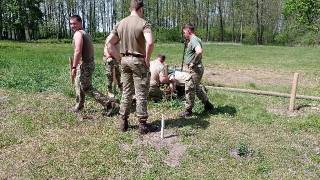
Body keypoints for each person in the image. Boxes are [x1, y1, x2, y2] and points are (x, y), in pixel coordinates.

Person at [106, 0, 155, 134]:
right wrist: (147, 59)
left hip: (125, 60)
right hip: (138, 60)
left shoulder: (121, 23)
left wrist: (120, 58)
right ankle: (142, 124)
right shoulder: (143, 23)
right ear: (141, 9)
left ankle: (123, 121)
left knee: (126, 91)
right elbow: (150, 42)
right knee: (141, 93)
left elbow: (109, 42)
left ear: (130, 9)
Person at [69, 15, 119, 116]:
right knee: (79, 84)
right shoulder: (85, 33)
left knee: (86, 87)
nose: (72, 26)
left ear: (80, 23)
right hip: (88, 63)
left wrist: (74, 67)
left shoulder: (78, 34)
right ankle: (79, 105)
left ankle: (109, 104)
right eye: (70, 24)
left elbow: (78, 51)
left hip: (85, 65)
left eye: (74, 23)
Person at [179, 23, 214, 117]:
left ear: (188, 31)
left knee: (190, 88)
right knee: (197, 88)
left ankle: (188, 110)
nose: (184, 34)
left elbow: (199, 51)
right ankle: (208, 105)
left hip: (195, 68)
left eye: (184, 32)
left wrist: (193, 63)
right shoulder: (194, 39)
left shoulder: (194, 39)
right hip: (197, 68)